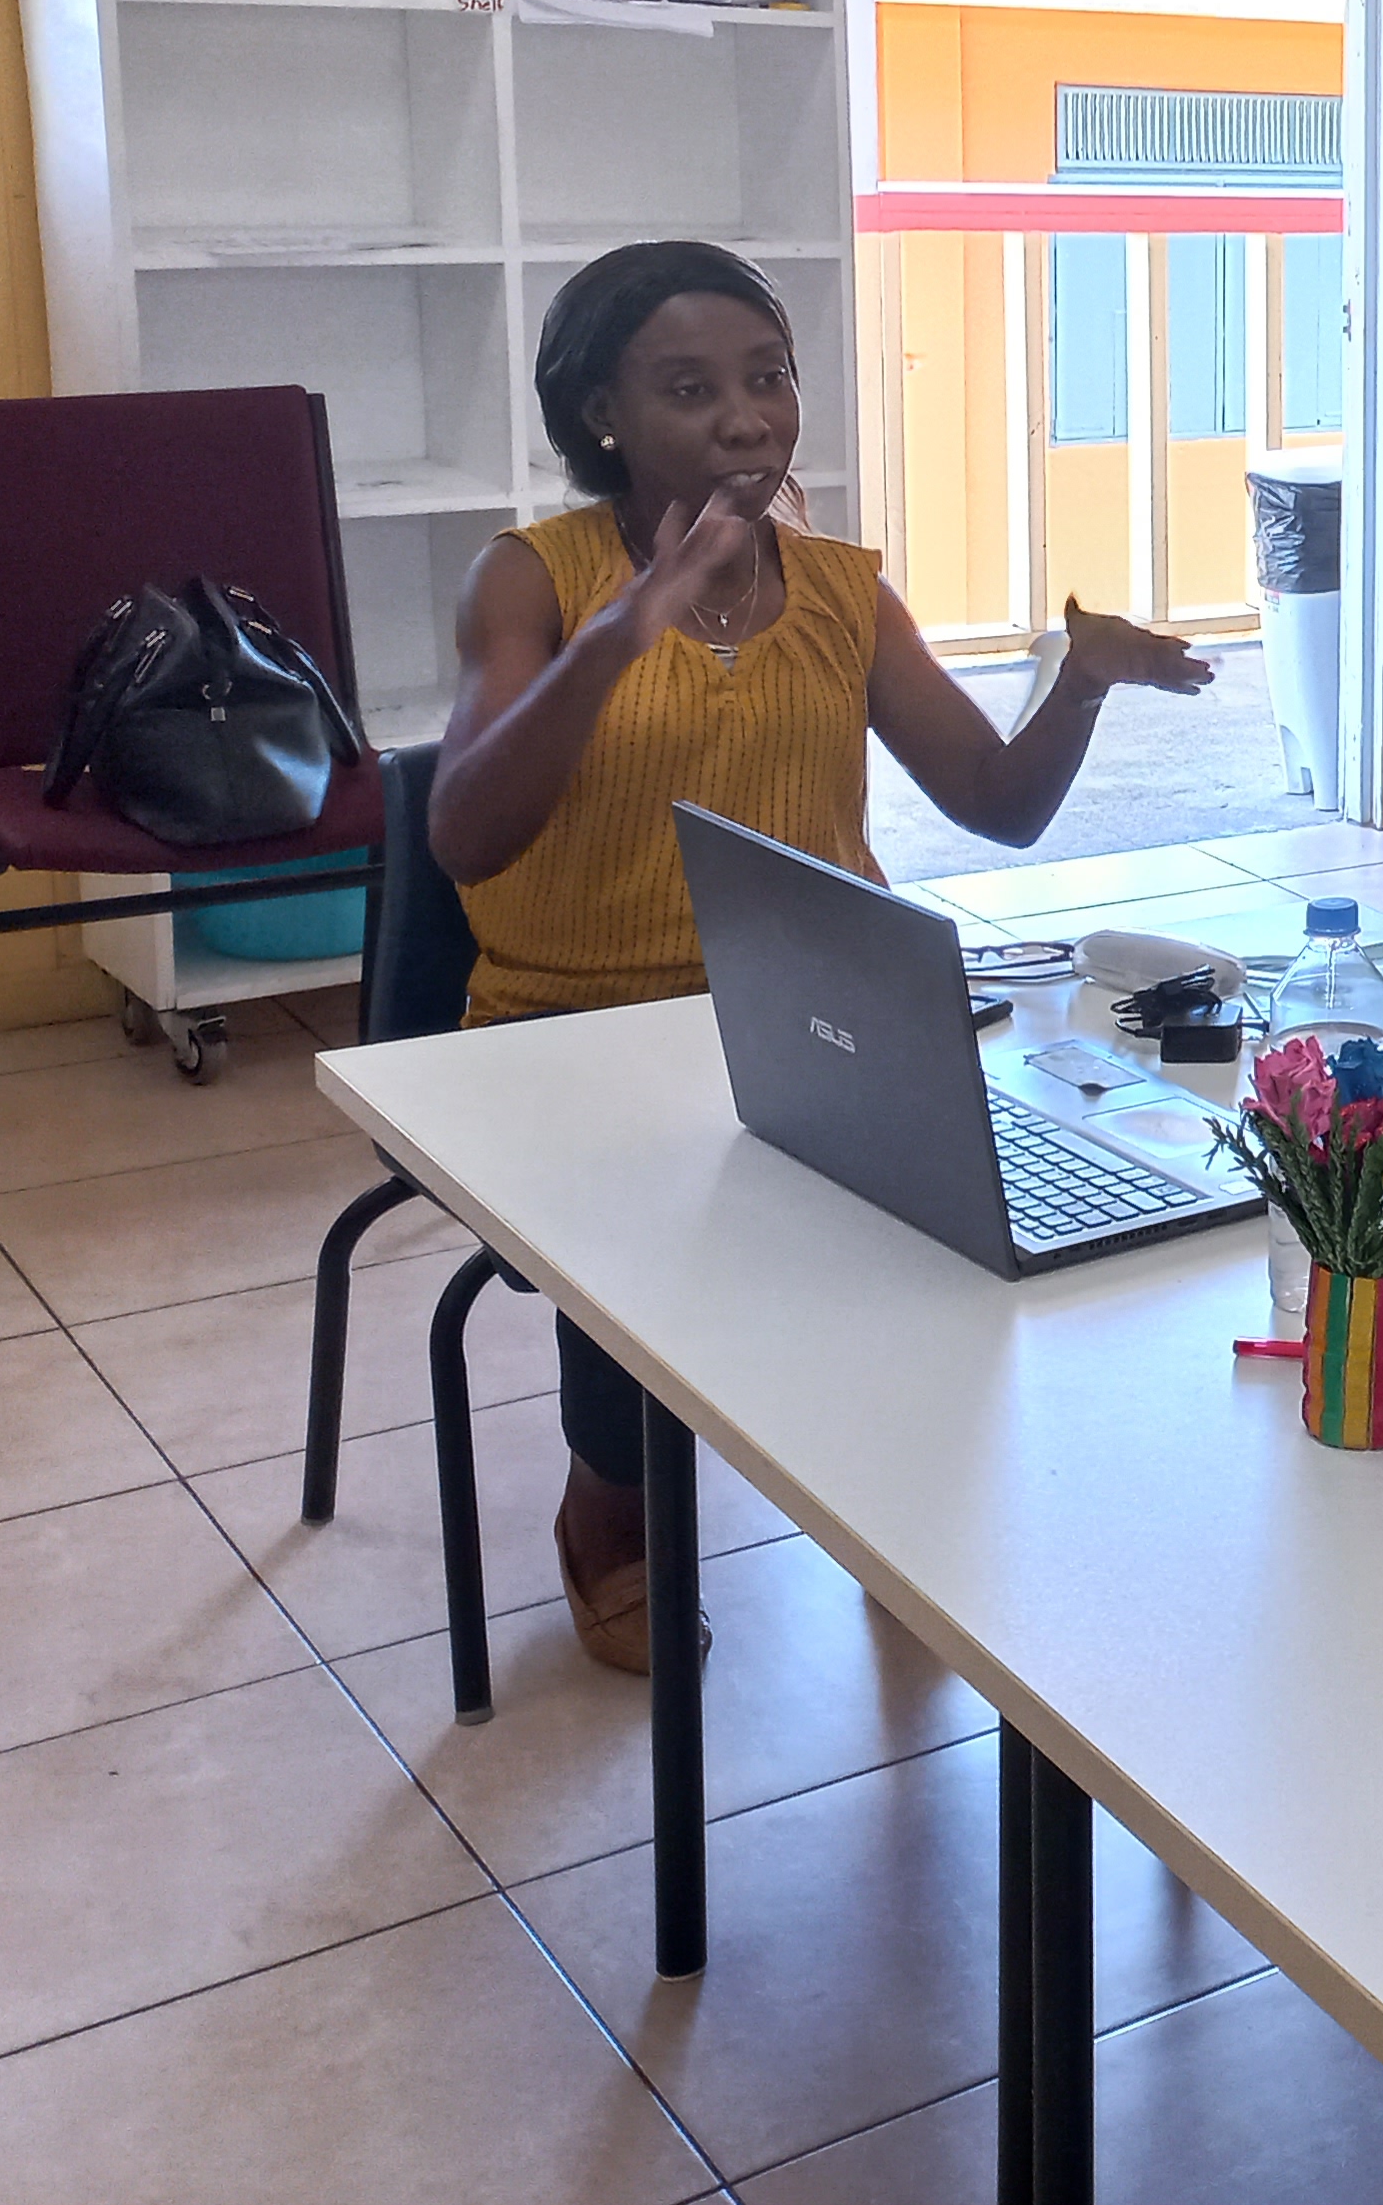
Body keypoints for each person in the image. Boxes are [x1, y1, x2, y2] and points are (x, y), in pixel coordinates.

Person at [431, 242, 1208, 1670]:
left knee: (951, 1211)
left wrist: (1081, 679)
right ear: (601, 410)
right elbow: (465, 835)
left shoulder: (847, 590)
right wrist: (615, 638)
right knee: (652, 1220)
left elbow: (999, 804)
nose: (746, 417)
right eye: (689, 388)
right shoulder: (531, 580)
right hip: (573, 1025)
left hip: (813, 1011)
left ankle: (890, 1505)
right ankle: (611, 1507)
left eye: (769, 378)